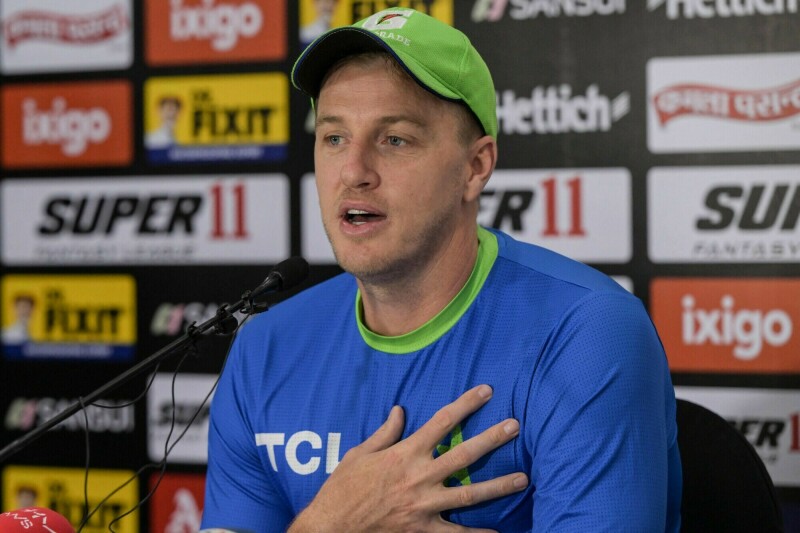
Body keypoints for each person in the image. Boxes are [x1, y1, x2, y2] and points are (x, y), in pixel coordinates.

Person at [201, 7, 682, 532]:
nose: (354, 172)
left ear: (475, 167)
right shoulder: (263, 348)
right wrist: (332, 523)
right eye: (334, 138)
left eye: (394, 139)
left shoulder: (588, 334)